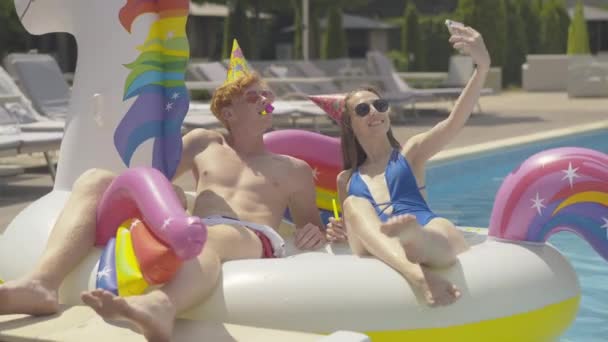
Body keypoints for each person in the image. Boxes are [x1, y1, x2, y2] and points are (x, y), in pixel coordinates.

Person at [0, 45, 326, 341]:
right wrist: (174, 199)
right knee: (95, 179)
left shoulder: (293, 168)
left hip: (251, 235)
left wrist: (322, 231)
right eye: (256, 98)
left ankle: (161, 305)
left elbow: (309, 226)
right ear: (228, 113)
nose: (267, 102)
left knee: (214, 233)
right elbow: (156, 179)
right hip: (193, 227)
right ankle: (41, 283)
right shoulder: (204, 142)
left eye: (269, 96)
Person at [325, 24, 491, 306]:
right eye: (363, 110)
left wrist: (482, 67)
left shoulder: (410, 153)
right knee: (354, 206)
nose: (375, 112)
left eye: (380, 105)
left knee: (440, 226)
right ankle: (415, 266)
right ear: (350, 126)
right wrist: (339, 231)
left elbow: (453, 122)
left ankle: (414, 239)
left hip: (423, 226)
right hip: (378, 241)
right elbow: (355, 236)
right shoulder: (346, 179)